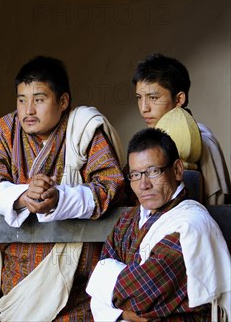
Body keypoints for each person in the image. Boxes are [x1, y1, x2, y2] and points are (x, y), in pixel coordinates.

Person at [0, 56, 125, 321]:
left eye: (39, 99)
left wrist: (60, 198)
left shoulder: (84, 128)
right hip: (21, 272)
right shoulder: (5, 129)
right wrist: (22, 196)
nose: (28, 110)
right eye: (21, 100)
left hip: (77, 275)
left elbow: (110, 185)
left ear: (63, 101)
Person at [86, 128, 231, 321]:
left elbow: (140, 294)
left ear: (178, 170)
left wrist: (110, 295)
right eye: (135, 175)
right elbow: (96, 285)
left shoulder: (190, 225)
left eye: (153, 171)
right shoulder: (128, 220)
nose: (143, 184)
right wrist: (127, 312)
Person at [133, 53, 230, 204]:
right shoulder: (150, 141)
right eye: (139, 98)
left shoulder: (201, 139)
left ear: (179, 99)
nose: (144, 108)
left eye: (153, 98)